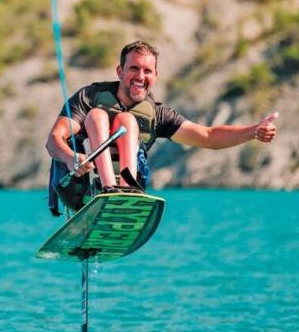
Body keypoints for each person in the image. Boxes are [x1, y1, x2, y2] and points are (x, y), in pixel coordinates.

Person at [46, 40, 278, 214]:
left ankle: (126, 192)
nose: (140, 76)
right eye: (134, 69)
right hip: (79, 185)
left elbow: (208, 136)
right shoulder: (90, 96)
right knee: (97, 115)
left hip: (127, 191)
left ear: (155, 76)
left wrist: (253, 131)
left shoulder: (158, 114)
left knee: (127, 121)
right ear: (120, 72)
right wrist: (70, 157)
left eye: (147, 71)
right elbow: (55, 139)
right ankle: (108, 190)